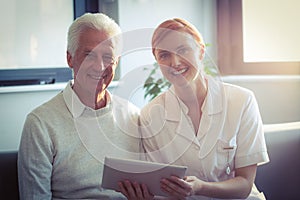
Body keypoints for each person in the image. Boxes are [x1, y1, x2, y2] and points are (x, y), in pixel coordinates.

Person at [119, 18, 269, 199]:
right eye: (164, 55)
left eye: (183, 50)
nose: (174, 62)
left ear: (201, 51)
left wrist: (200, 187)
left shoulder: (242, 101)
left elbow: (244, 184)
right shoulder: (150, 115)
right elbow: (159, 189)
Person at [18, 13, 141, 199]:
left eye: (108, 56)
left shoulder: (133, 116)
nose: (100, 66)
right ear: (70, 58)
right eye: (89, 55)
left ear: (117, 61)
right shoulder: (40, 123)